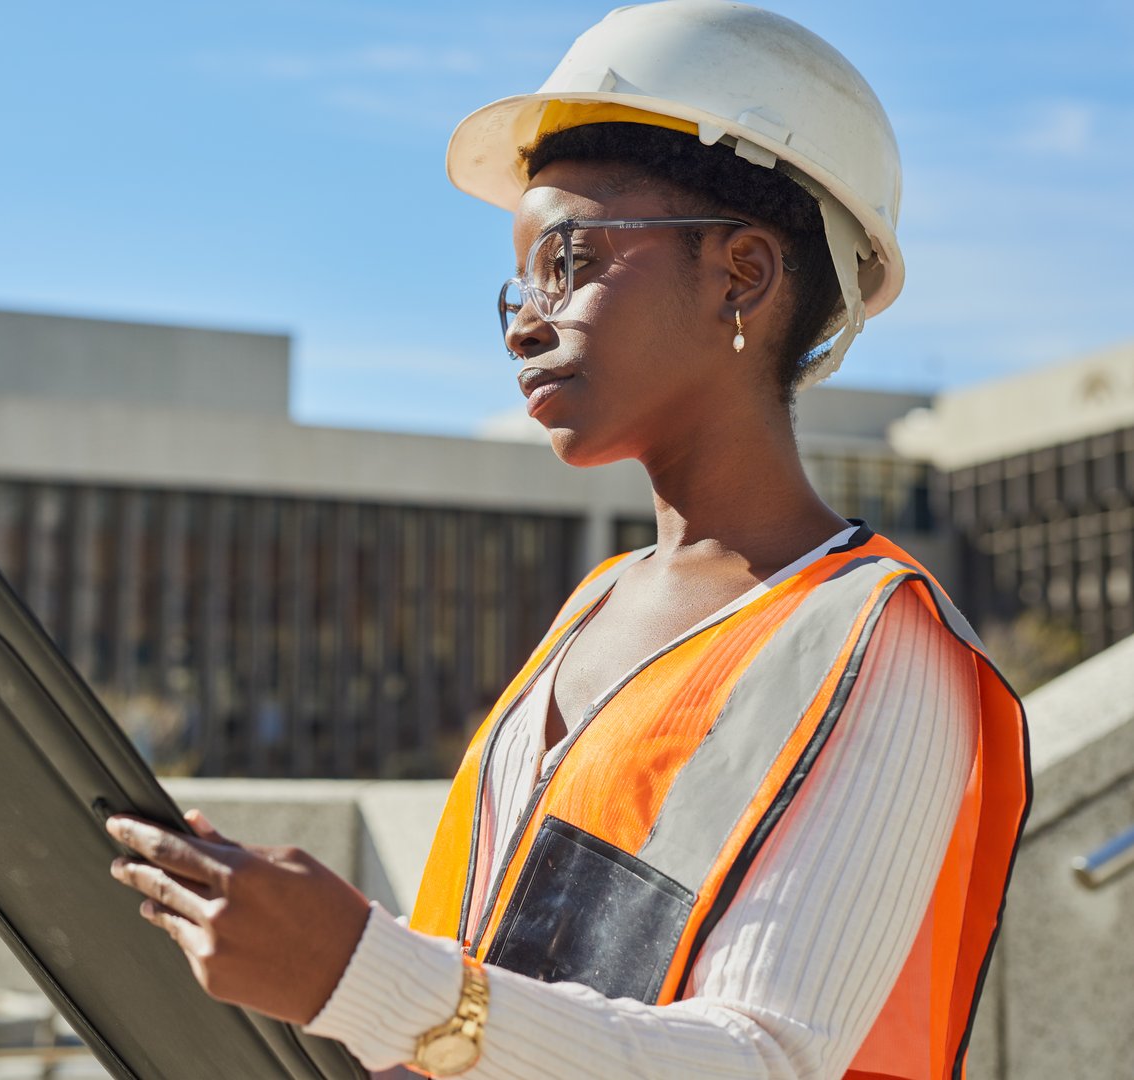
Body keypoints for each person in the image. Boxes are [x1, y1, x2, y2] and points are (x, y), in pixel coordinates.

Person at [106, 3, 1030, 1077]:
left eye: (569, 261)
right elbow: (502, 978)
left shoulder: (880, 640)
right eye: (518, 278)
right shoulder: (594, 604)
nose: (521, 319)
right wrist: (294, 952)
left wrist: (360, 973)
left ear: (741, 274)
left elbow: (764, 1063)